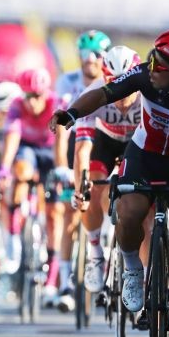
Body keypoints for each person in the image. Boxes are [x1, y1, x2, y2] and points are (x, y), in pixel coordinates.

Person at [50, 28, 169, 337]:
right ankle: (132, 269)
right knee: (128, 211)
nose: (150, 67)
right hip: (143, 155)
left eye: (159, 64)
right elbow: (104, 93)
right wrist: (72, 113)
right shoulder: (147, 75)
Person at [70, 46, 142, 292]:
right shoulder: (93, 93)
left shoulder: (150, 95)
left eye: (128, 84)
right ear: (104, 80)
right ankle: (95, 253)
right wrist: (81, 188)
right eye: (114, 84)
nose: (121, 93)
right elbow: (81, 150)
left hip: (136, 142)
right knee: (92, 186)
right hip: (104, 141)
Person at [51, 30, 111, 312]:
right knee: (68, 212)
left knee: (107, 196)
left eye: (96, 55)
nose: (90, 61)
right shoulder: (68, 80)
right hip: (77, 135)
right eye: (85, 56)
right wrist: (62, 166)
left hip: (106, 139)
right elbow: (62, 129)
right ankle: (64, 283)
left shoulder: (113, 80)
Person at [0, 68, 65, 305]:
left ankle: (52, 276)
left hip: (50, 150)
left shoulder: (56, 104)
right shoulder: (17, 106)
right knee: (21, 171)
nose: (33, 102)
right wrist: (4, 169)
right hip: (28, 148)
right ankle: (14, 238)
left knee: (55, 213)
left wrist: (61, 171)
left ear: (46, 93)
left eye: (37, 96)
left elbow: (61, 142)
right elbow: (12, 138)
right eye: (28, 96)